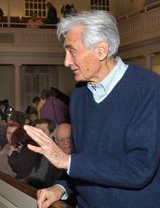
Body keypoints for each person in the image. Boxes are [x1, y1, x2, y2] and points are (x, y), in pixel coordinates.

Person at [24, 10, 160, 208]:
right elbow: (82, 159)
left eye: (72, 51)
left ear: (101, 51)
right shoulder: (80, 93)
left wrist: (68, 162)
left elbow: (139, 168)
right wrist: (62, 187)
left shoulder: (149, 88)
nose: (66, 62)